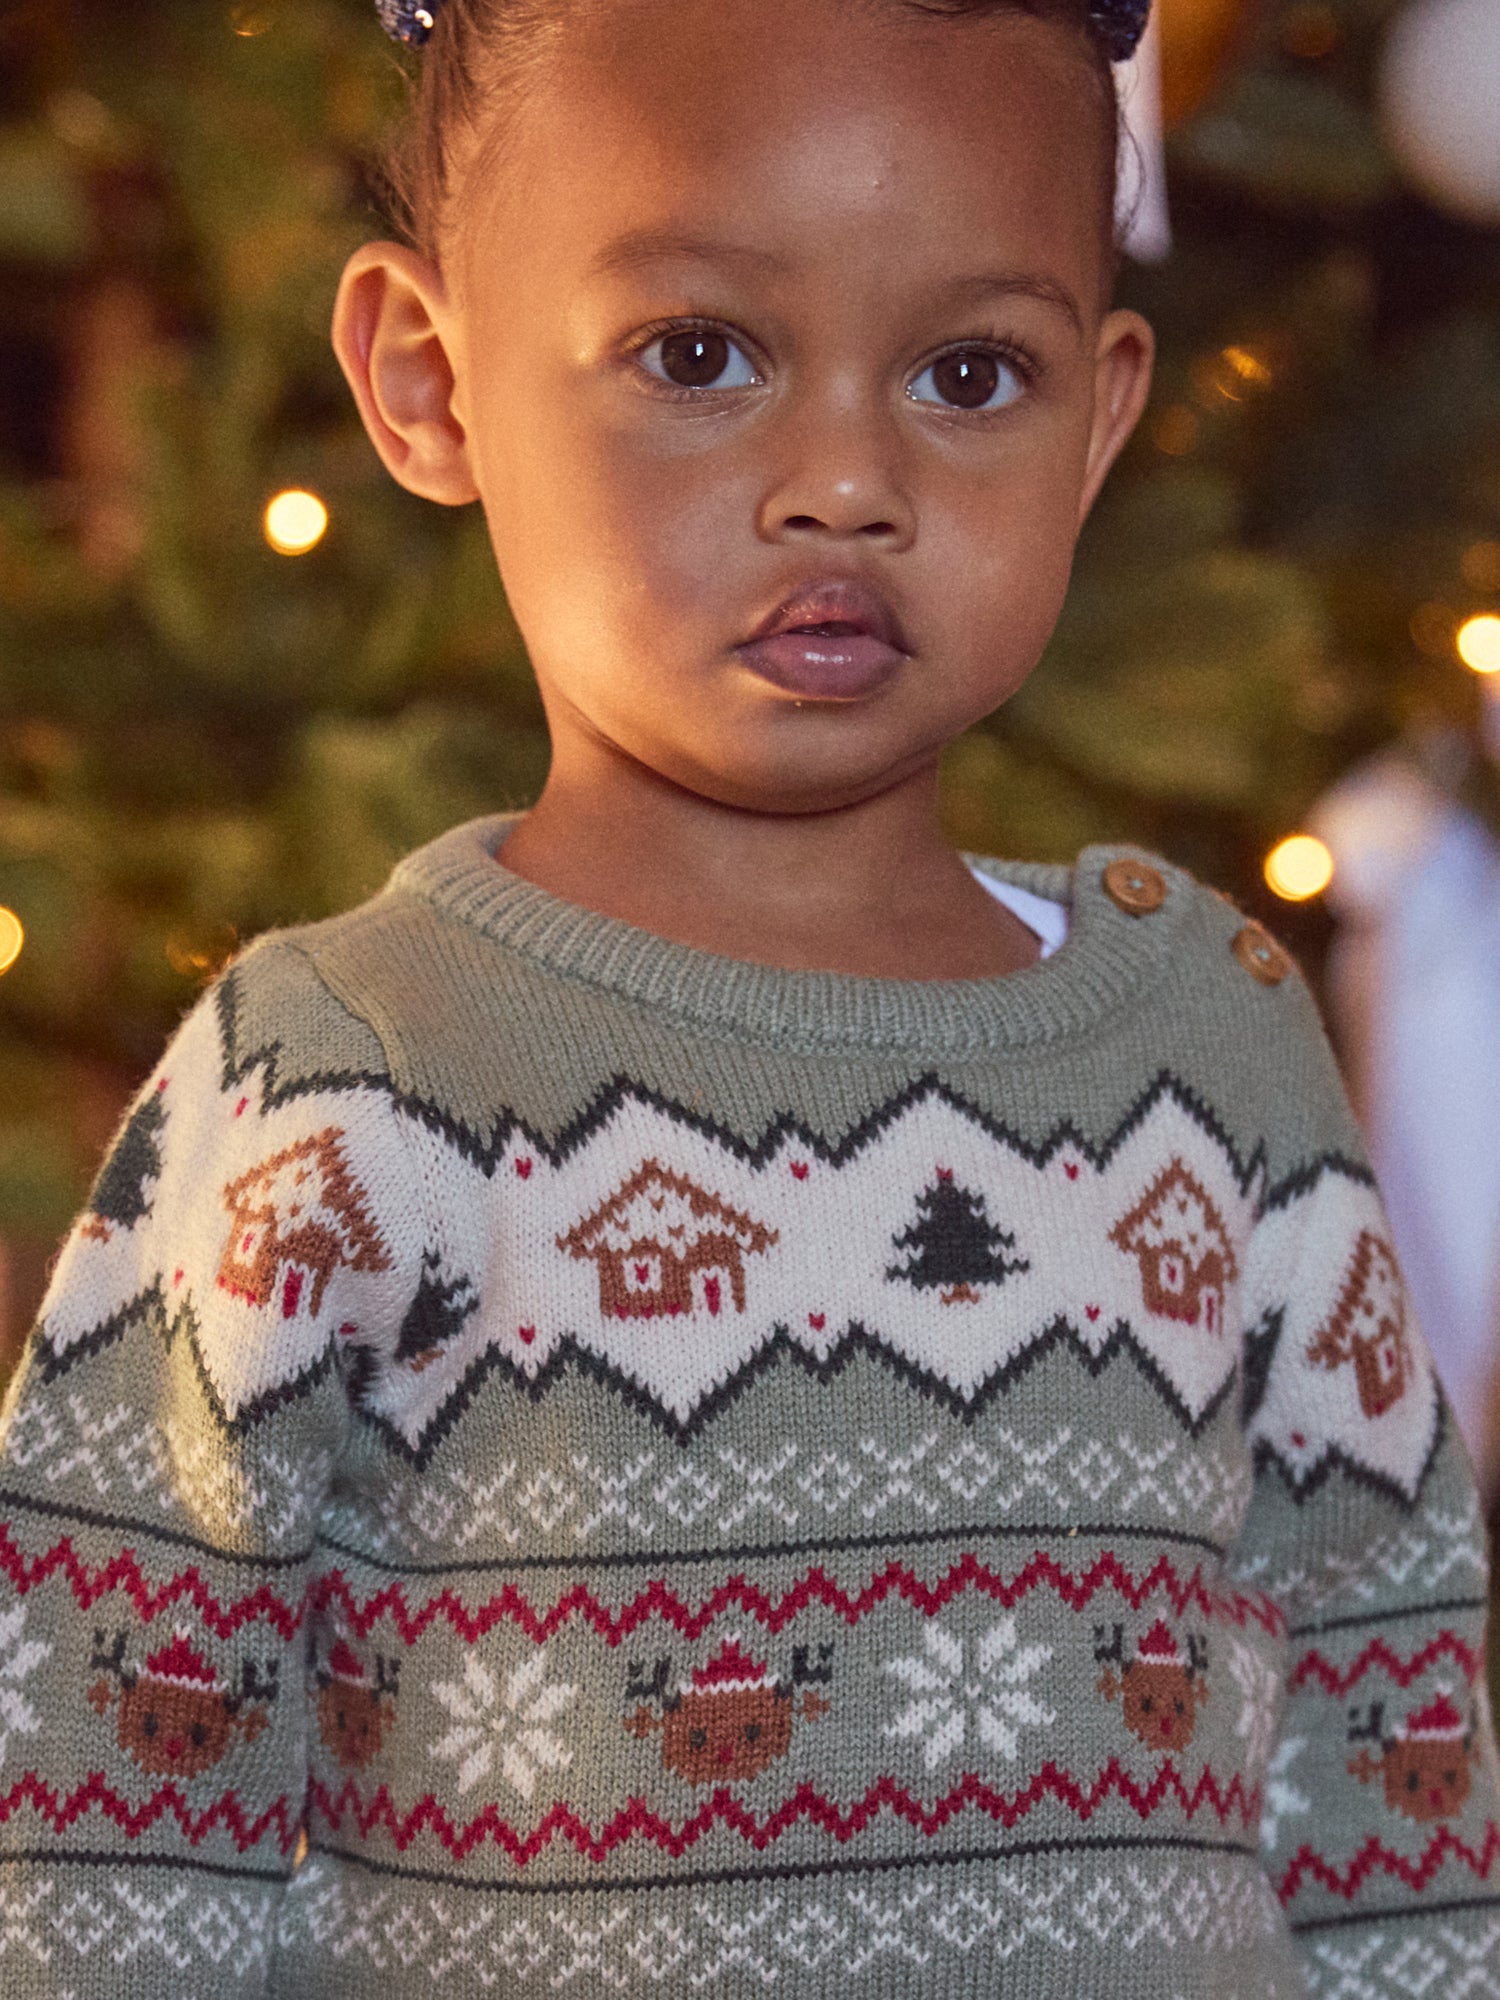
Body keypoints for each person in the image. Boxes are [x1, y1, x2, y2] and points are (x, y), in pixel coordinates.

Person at [0, 0, 1495, 1993]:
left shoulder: (1213, 1046)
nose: (845, 479)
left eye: (973, 372)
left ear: (1103, 420)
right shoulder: (344, 1084)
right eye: (699, 356)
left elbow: (1393, 1730)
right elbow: (100, 1805)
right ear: (427, 382)